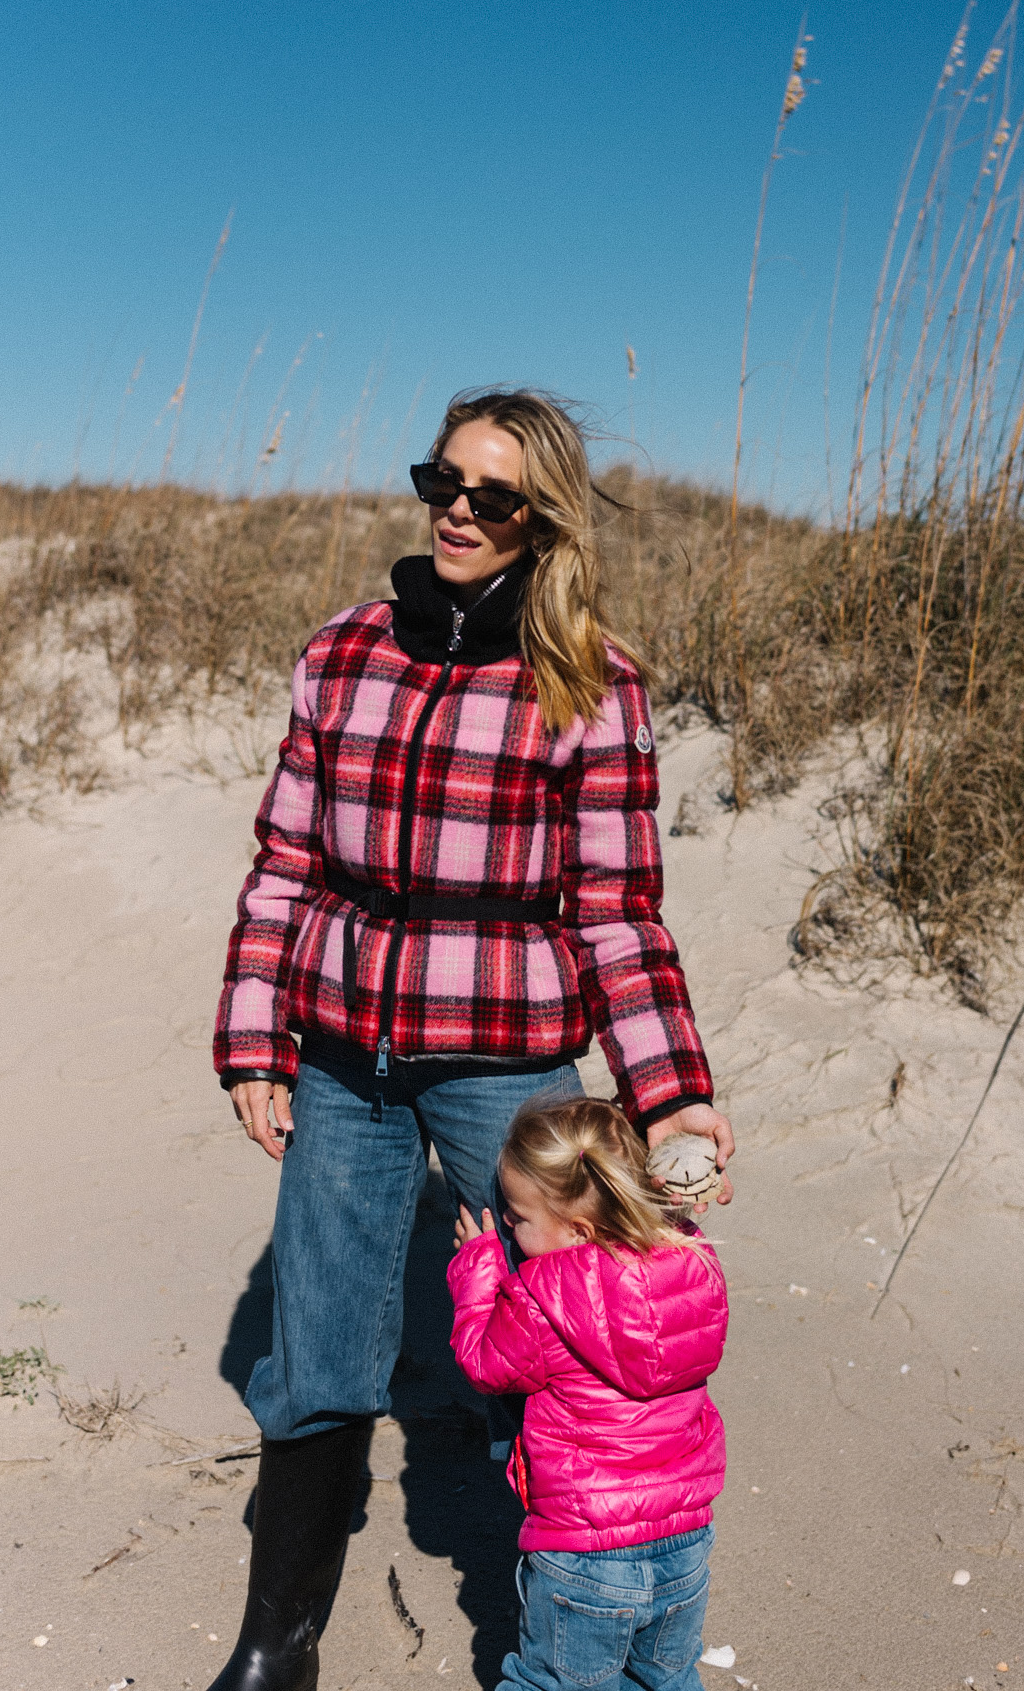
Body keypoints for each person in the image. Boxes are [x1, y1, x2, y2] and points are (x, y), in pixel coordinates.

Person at [209, 387, 734, 1691]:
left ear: (538, 519)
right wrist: (254, 1039)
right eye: (440, 480)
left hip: (507, 1065)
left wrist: (669, 1096)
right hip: (342, 1063)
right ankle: (277, 1650)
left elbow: (616, 914)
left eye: (489, 494)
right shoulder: (343, 652)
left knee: (563, 1356)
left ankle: (578, 1629)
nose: (455, 508)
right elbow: (284, 864)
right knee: (316, 1358)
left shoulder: (592, 687)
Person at [448, 1096, 728, 1691]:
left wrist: (477, 1271)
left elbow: (485, 1365)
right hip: (684, 1543)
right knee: (668, 1679)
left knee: (555, 1682)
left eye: (517, 1219)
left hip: (584, 1551)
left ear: (576, 1229)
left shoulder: (540, 1298)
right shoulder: (693, 1262)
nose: (509, 1228)